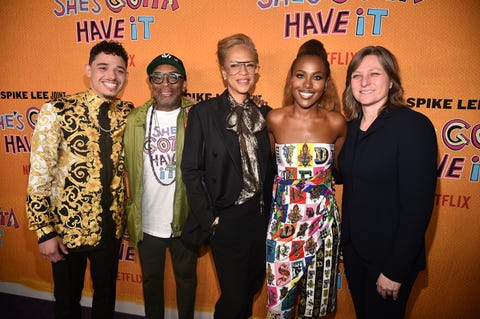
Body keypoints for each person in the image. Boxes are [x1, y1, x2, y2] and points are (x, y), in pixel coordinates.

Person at [25, 40, 133, 319]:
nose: (112, 76)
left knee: (106, 299)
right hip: (67, 230)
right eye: (103, 67)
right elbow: (39, 175)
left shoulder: (128, 113)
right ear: (88, 70)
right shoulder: (57, 110)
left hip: (111, 229)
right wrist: (45, 232)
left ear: (126, 76)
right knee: (67, 300)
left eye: (120, 70)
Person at [338, 46, 438, 319]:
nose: (365, 82)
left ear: (391, 80)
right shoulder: (348, 128)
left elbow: (417, 207)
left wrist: (395, 269)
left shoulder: (413, 126)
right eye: (356, 76)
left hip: (390, 258)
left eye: (374, 73)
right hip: (355, 251)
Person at [181, 33, 274, 319]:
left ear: (257, 69)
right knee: (234, 298)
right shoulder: (203, 114)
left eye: (249, 65)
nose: (243, 72)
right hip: (226, 219)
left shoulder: (267, 115)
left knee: (249, 289)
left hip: (260, 219)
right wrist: (211, 220)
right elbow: (191, 170)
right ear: (223, 71)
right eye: (235, 66)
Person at [265, 40, 347, 318]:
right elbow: (271, 172)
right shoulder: (274, 119)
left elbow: (341, 171)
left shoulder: (337, 123)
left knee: (316, 309)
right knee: (280, 309)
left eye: (317, 77)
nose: (308, 85)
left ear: (326, 83)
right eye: (301, 75)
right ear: (291, 79)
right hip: (283, 227)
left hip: (323, 227)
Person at [123, 53, 197, 319]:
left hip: (186, 218)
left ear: (183, 84)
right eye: (158, 77)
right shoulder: (134, 120)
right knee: (152, 283)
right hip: (147, 220)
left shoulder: (197, 116)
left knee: (186, 280)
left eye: (173, 76)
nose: (166, 83)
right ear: (150, 83)